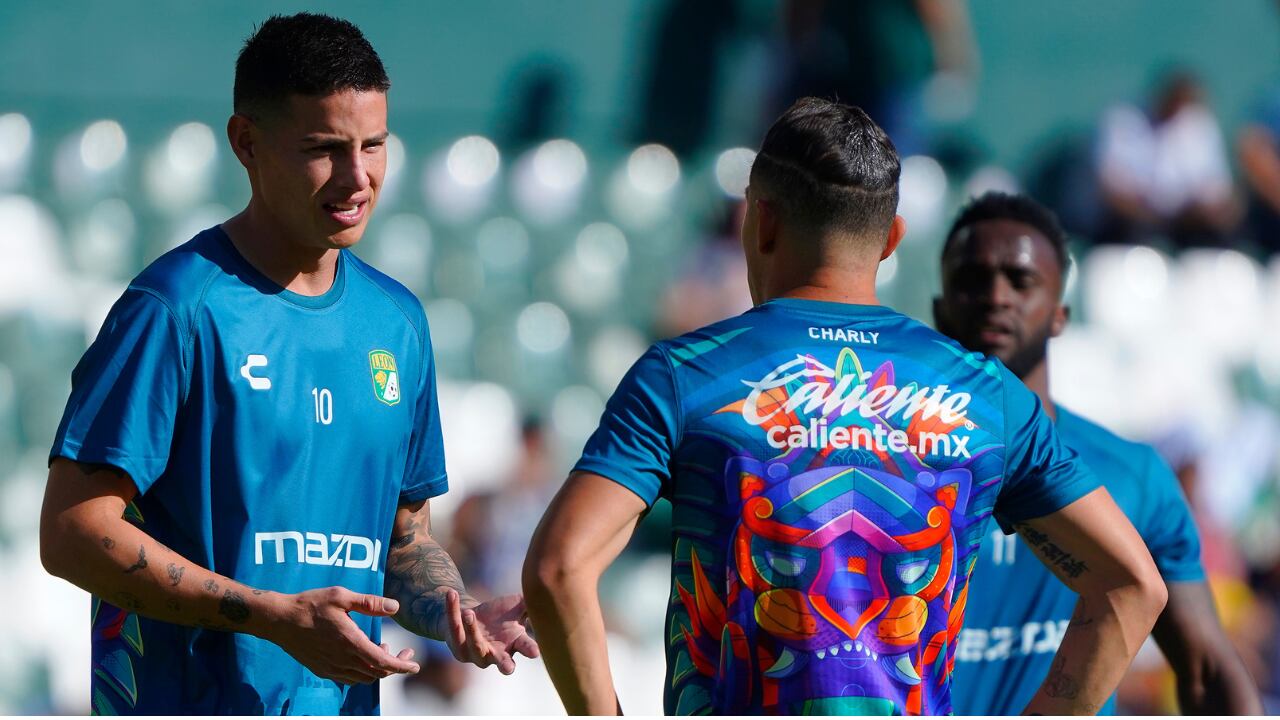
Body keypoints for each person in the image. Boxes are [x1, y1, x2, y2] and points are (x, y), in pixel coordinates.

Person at [523, 97, 1167, 715]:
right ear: (891, 239)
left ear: (762, 220)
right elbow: (1132, 586)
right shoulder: (988, 393)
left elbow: (558, 567)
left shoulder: (684, 375)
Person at [38, 13, 535, 715]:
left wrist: (453, 610)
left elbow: (402, 541)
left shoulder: (397, 324)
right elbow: (71, 533)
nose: (357, 177)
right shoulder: (176, 308)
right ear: (246, 142)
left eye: (375, 145)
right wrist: (269, 614)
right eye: (324, 149)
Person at [935, 191, 1261, 715]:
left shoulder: (1136, 476)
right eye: (973, 279)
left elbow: (1205, 670)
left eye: (1021, 281)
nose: (996, 296)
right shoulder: (893, 467)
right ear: (937, 307)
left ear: (1060, 314)